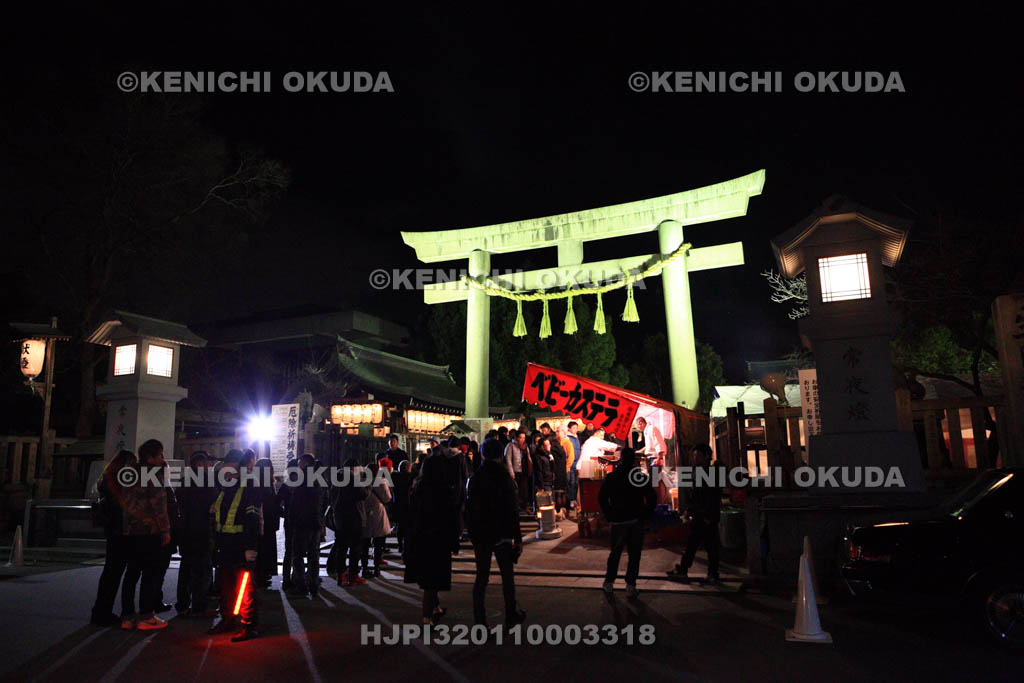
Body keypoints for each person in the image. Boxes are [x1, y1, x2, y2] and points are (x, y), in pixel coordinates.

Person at [466, 440, 526, 628]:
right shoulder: (504, 477)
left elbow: (468, 508)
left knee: (481, 577)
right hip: (502, 533)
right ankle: (510, 614)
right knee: (507, 576)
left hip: (481, 534)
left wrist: (472, 532)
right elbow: (512, 508)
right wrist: (518, 537)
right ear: (500, 455)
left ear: (483, 454)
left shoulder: (475, 477)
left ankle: (480, 622)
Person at [208, 449, 262, 642]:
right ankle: (228, 619)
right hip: (224, 544)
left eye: (230, 466)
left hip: (241, 544)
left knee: (245, 587)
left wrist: (250, 548)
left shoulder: (250, 486)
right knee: (226, 585)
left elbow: (252, 520)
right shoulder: (227, 486)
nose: (226, 471)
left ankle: (249, 626)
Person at [119, 439, 171, 631]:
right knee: (150, 573)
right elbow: (159, 506)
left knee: (131, 573)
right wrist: (165, 530)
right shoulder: (154, 475)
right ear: (151, 457)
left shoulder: (129, 474)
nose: (162, 458)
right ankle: (147, 616)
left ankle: (127, 616)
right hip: (150, 531)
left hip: (131, 530)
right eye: (160, 455)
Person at [404, 453, 459, 624]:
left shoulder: (417, 488)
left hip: (420, 537)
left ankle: (435, 608)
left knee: (430, 579)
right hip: (437, 538)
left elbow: (410, 515)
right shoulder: (443, 490)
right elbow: (450, 515)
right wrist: (453, 539)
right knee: (432, 580)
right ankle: (427, 617)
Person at [599, 448, 656, 598]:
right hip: (635, 519)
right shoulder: (638, 476)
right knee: (634, 554)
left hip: (618, 520)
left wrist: (609, 514)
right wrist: (646, 514)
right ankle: (630, 585)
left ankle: (609, 582)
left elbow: (602, 497)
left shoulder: (612, 477)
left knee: (615, 553)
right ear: (634, 460)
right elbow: (651, 497)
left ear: (621, 459)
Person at [90, 450, 137, 626]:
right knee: (114, 573)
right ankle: (103, 612)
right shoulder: (119, 483)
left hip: (112, 531)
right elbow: (125, 507)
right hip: (120, 532)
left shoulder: (106, 480)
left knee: (110, 572)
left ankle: (100, 610)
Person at [668, 444, 723, 583]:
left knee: (705, 545)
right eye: (693, 456)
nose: (694, 459)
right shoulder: (700, 472)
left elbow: (712, 496)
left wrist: (708, 515)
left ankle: (702, 572)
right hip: (702, 515)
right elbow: (698, 496)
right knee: (697, 544)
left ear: (706, 457)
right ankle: (693, 571)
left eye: (697, 456)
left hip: (706, 516)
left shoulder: (710, 473)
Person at [176, 451, 217, 617]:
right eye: (207, 464)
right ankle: (199, 605)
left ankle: (183, 604)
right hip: (202, 530)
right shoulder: (207, 482)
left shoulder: (184, 481)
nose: (209, 467)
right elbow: (213, 506)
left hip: (185, 531)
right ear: (200, 465)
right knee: (201, 569)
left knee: (185, 568)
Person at [284, 453, 327, 598]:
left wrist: (291, 518)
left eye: (299, 462)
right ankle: (313, 585)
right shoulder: (319, 478)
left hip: (301, 523)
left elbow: (295, 502)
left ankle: (301, 585)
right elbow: (324, 500)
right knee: (314, 556)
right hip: (315, 522)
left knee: (298, 556)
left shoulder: (300, 478)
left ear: (304, 463)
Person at [332, 458, 369, 585]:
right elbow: (362, 494)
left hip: (340, 517)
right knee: (355, 548)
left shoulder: (336, 478)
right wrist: (367, 485)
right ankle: (353, 574)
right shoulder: (353, 478)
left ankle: (340, 575)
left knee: (341, 548)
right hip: (354, 517)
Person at [359, 461, 392, 577]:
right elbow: (387, 498)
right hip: (378, 512)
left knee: (365, 543)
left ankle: (364, 567)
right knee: (378, 543)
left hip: (364, 512)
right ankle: (377, 568)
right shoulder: (381, 482)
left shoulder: (361, 482)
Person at [254, 457, 280, 589]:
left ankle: (262, 575)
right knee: (265, 549)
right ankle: (263, 575)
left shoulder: (258, 483)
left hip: (264, 521)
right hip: (267, 521)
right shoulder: (268, 485)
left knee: (262, 549)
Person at [278, 455, 298, 592]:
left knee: (289, 551)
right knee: (297, 551)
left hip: (290, 522)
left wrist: (284, 513)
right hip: (299, 522)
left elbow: (276, 503)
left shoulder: (285, 486)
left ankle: (287, 579)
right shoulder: (303, 485)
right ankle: (295, 578)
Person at [503, 431, 530, 510]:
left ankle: (524, 506)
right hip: (515, 471)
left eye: (524, 438)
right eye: (521, 437)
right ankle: (516, 506)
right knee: (515, 490)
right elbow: (508, 460)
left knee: (524, 490)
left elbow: (529, 458)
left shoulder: (525, 447)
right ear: (516, 438)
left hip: (524, 471)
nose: (522, 439)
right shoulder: (510, 446)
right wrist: (511, 472)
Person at [391, 460, 412, 554]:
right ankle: (406, 546)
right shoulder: (411, 477)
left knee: (400, 526)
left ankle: (400, 545)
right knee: (407, 527)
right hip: (408, 505)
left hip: (398, 504)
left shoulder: (395, 477)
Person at [566, 422, 582, 509]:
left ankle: (575, 499)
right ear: (569, 428)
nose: (575, 429)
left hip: (577, 463)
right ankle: (571, 500)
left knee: (576, 482)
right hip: (571, 462)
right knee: (571, 482)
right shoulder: (568, 438)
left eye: (576, 428)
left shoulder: (576, 437)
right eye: (574, 428)